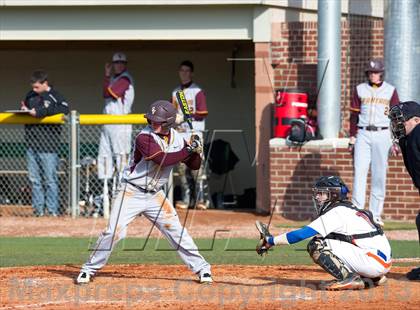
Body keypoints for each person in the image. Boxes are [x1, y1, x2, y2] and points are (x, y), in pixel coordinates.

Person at [76, 100, 212, 285]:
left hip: (155, 195)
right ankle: (88, 269)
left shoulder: (178, 139)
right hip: (130, 192)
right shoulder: (144, 137)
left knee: (177, 231)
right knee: (114, 232)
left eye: (158, 121)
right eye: (152, 119)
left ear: (169, 123)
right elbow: (162, 160)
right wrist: (188, 149)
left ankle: (203, 269)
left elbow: (194, 166)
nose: (153, 123)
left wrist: (196, 151)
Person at [256, 176, 391, 290]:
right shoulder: (349, 208)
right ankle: (373, 278)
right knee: (326, 237)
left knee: (316, 244)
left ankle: (349, 278)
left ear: (333, 194)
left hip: (372, 262)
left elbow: (301, 234)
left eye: (322, 193)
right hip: (381, 261)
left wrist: (271, 241)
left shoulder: (336, 213)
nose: (318, 197)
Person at [348, 58, 400, 226]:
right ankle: (357, 210)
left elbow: (396, 118)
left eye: (376, 72)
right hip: (363, 133)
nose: (373, 75)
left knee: (379, 174)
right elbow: (354, 115)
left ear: (381, 73)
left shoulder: (390, 90)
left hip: (383, 134)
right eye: (370, 72)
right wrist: (352, 136)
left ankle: (375, 214)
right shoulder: (360, 89)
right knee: (359, 172)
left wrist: (395, 140)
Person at [21, 70, 70, 216]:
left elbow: (65, 108)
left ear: (45, 83)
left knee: (50, 180)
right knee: (34, 180)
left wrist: (41, 112)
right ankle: (38, 211)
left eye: (37, 87)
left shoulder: (55, 95)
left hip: (48, 145)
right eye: (33, 87)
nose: (34, 90)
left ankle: (52, 211)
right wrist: (25, 110)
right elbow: (27, 107)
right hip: (32, 143)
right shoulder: (30, 95)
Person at [388, 101, 420, 280]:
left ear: (416, 120)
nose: (396, 125)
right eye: (395, 122)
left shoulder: (418, 133)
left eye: (401, 121)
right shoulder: (407, 139)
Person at [172, 60, 209, 210]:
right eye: (182, 71)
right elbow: (172, 112)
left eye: (187, 71)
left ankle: (202, 200)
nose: (184, 73)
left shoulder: (197, 91)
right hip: (180, 134)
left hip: (194, 133)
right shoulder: (175, 92)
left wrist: (186, 116)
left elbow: (203, 112)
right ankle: (187, 199)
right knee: (181, 169)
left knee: (197, 168)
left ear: (191, 73)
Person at [98, 52, 135, 186]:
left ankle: (123, 186)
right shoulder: (112, 78)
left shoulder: (125, 79)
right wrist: (107, 75)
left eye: (121, 63)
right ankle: (106, 189)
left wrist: (107, 79)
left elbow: (110, 93)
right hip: (108, 122)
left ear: (125, 65)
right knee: (104, 155)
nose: (118, 65)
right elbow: (104, 93)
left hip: (121, 123)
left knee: (121, 157)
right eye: (116, 63)